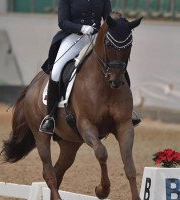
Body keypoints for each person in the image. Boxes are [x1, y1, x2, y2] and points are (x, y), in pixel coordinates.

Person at [39, 0, 140, 134]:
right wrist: (81, 28)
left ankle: (127, 111)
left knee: (117, 66)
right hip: (73, 37)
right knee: (57, 71)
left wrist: (119, 23)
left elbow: (108, 18)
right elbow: (62, 22)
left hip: (97, 38)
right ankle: (50, 116)